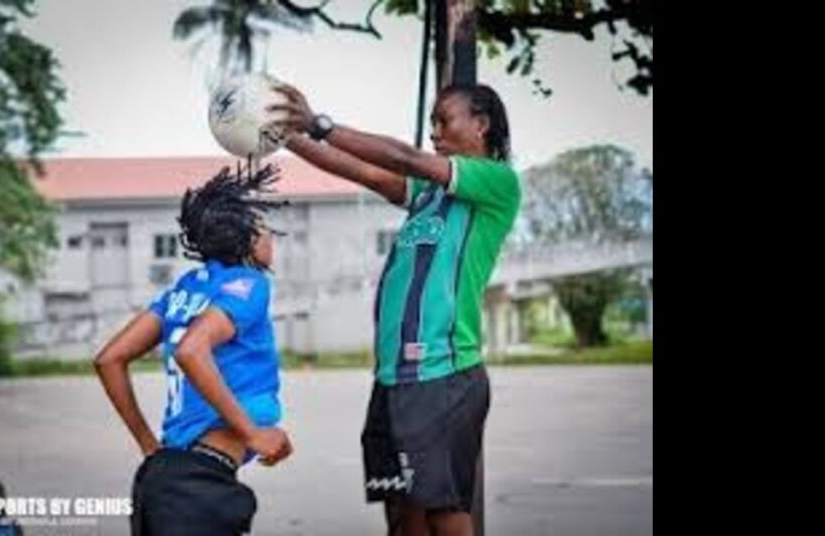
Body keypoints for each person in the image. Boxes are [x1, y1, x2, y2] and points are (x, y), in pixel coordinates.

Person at [270, 83, 521, 536]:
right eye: (432, 124)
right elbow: (363, 171)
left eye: (444, 121)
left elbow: (403, 156)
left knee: (443, 510)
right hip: (393, 377)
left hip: (442, 374)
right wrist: (285, 136)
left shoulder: (495, 181)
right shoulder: (428, 192)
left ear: (481, 124)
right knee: (401, 512)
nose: (435, 132)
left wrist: (317, 124)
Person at [94, 163, 293, 536]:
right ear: (248, 238)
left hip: (164, 475)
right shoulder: (249, 284)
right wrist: (252, 433)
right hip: (197, 488)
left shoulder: (186, 288)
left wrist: (148, 445)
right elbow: (191, 350)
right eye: (266, 229)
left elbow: (110, 359)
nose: (271, 238)